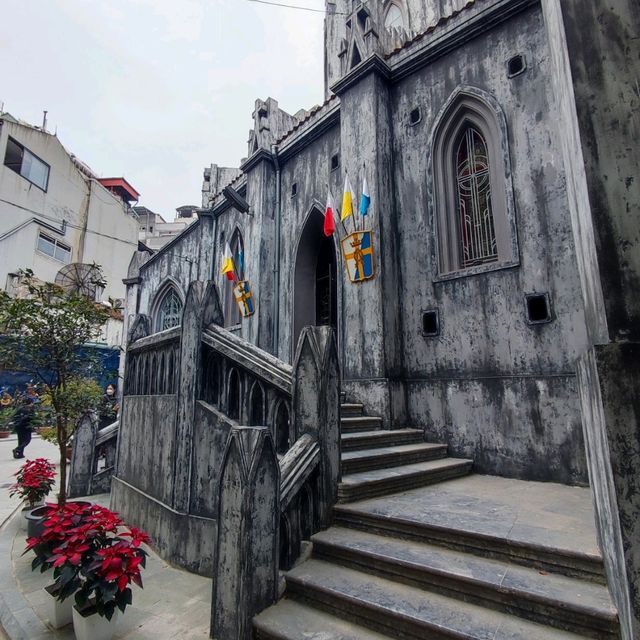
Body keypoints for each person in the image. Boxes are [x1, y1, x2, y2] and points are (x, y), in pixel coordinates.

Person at [13, 386, 38, 459]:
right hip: (26, 427)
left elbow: (15, 417)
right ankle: (17, 449)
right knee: (27, 440)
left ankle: (20, 454)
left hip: (18, 426)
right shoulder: (30, 410)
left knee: (20, 440)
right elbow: (31, 418)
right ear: (30, 403)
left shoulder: (20, 409)